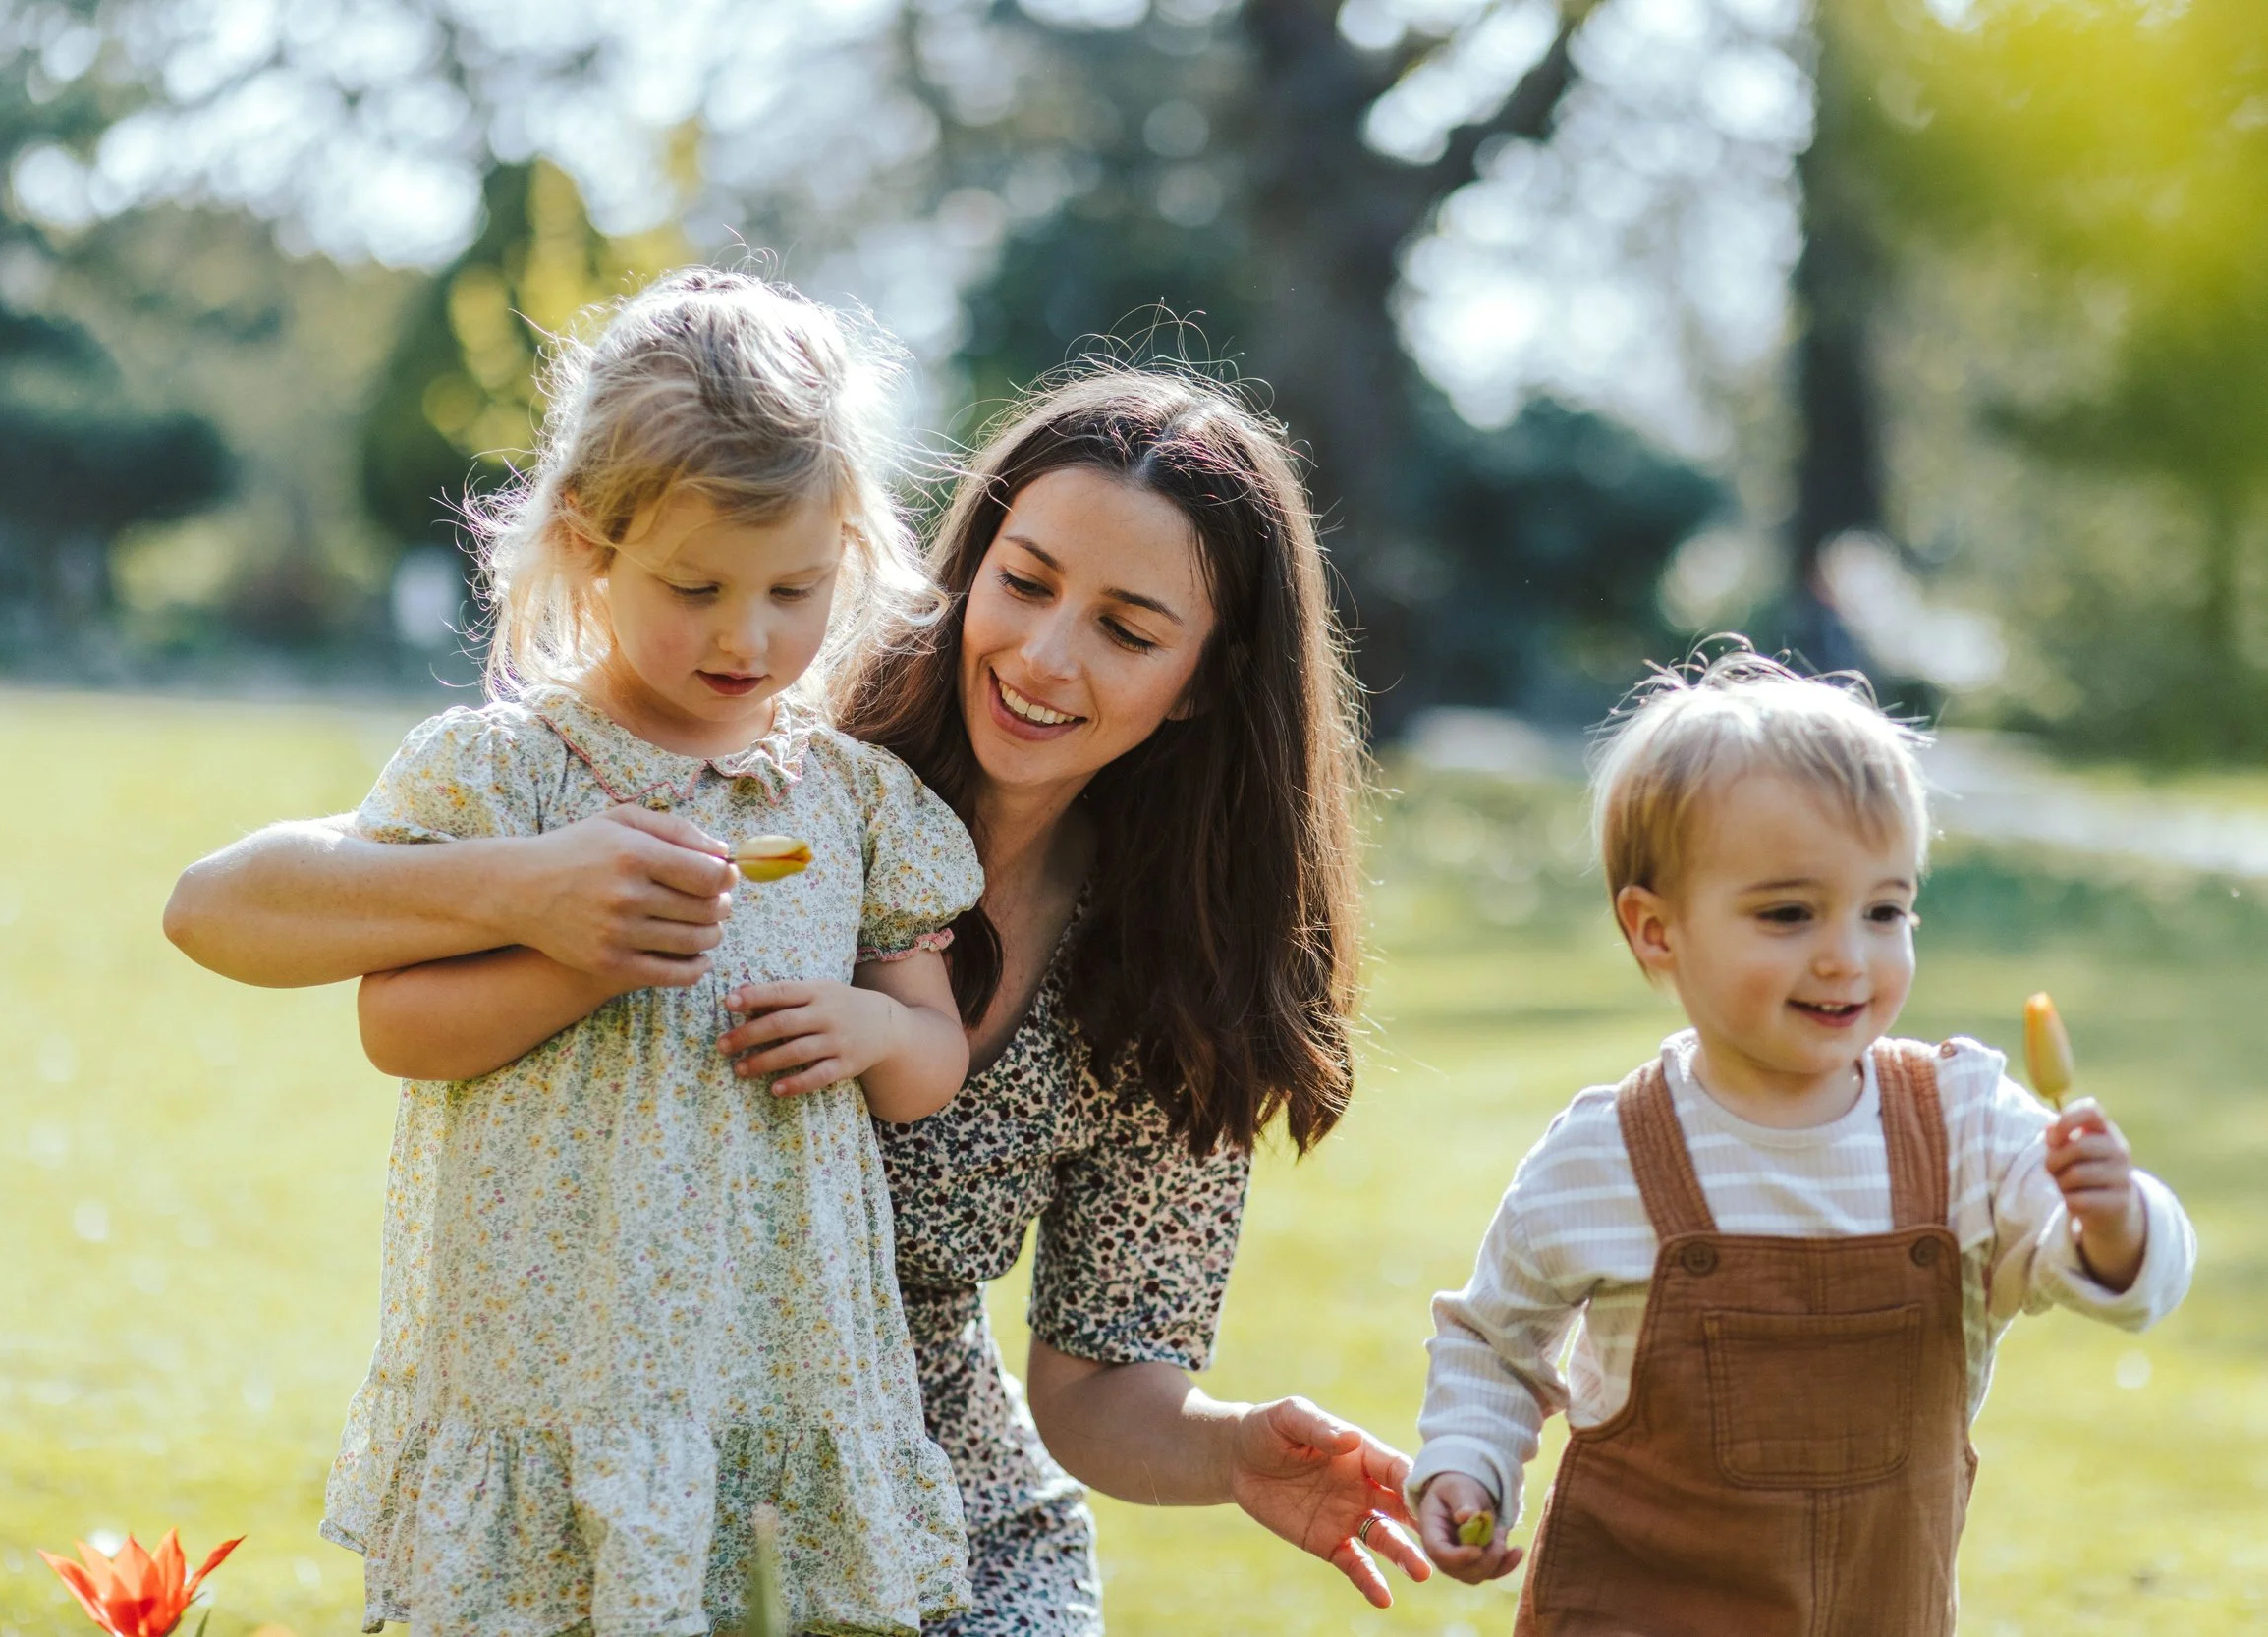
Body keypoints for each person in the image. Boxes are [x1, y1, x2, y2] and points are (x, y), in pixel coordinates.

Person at [165, 366, 1433, 1634]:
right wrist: (533, 892)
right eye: (1026, 581)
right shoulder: (765, 740)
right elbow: (228, 904)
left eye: (1128, 630)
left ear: (1204, 677)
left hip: (928, 1524)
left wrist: (1231, 1449)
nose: (1046, 654)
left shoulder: (1167, 977)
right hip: (623, 1477)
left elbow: (1099, 1385)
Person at [304, 268, 979, 1636]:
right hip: (547, 1350)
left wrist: (874, 1029)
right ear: (586, 544)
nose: (746, 633)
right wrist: (579, 958)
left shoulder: (853, 799)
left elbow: (930, 1059)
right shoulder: (507, 774)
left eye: (793, 588)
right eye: (695, 585)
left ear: (848, 557)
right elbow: (397, 1027)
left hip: (771, 1356)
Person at [1407, 649, 2197, 1636]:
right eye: (1788, 913)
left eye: (1884, 909)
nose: (1845, 955)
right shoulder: (1603, 1155)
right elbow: (1494, 1339)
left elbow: (2130, 1284)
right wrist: (1466, 1459)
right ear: (1655, 929)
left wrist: (2116, 1221)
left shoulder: (1964, 1122)